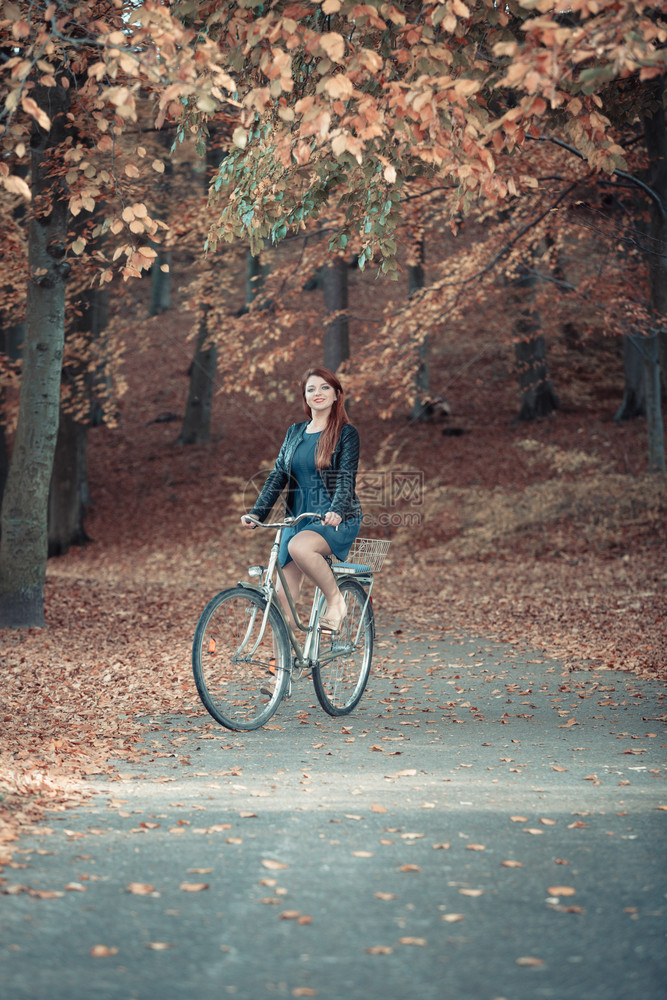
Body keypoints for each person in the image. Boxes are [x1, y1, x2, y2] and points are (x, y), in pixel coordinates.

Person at [242, 366, 362, 633]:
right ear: (305, 397)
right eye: (311, 389)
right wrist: (257, 513)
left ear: (336, 395)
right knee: (281, 598)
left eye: (324, 388)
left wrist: (338, 510)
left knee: (300, 547)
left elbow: (345, 478)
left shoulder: (346, 433)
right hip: (297, 518)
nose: (317, 393)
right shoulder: (294, 432)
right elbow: (278, 476)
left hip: (333, 519)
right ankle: (284, 671)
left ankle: (335, 602)